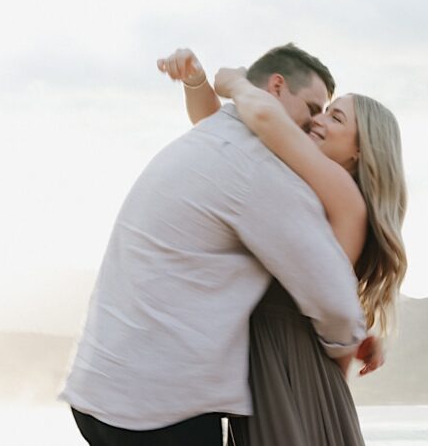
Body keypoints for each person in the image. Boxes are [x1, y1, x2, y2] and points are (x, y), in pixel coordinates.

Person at [61, 44, 368, 446]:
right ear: (275, 88)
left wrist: (201, 82)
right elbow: (335, 304)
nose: (313, 124)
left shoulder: (213, 137)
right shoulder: (260, 168)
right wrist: (348, 342)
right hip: (159, 411)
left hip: (99, 390)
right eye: (312, 108)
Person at [158, 46, 408, 446]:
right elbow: (217, 129)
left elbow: (331, 312)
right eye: (322, 109)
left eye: (335, 116)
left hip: (292, 379)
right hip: (272, 371)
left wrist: (233, 82)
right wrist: (195, 82)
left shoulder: (342, 196)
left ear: (361, 150)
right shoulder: (295, 183)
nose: (316, 119)